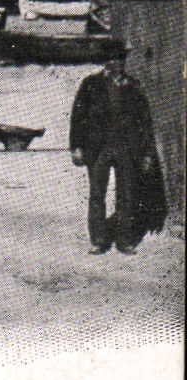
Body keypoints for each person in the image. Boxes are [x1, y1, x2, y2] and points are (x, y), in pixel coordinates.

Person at [70, 52, 168, 254]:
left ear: (124, 62)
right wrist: (76, 146)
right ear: (105, 61)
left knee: (127, 194)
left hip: (127, 148)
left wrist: (147, 153)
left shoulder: (133, 86)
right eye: (111, 59)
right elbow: (78, 116)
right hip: (98, 149)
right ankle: (98, 240)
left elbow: (144, 122)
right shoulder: (91, 84)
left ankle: (125, 240)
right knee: (97, 194)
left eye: (120, 59)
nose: (116, 63)